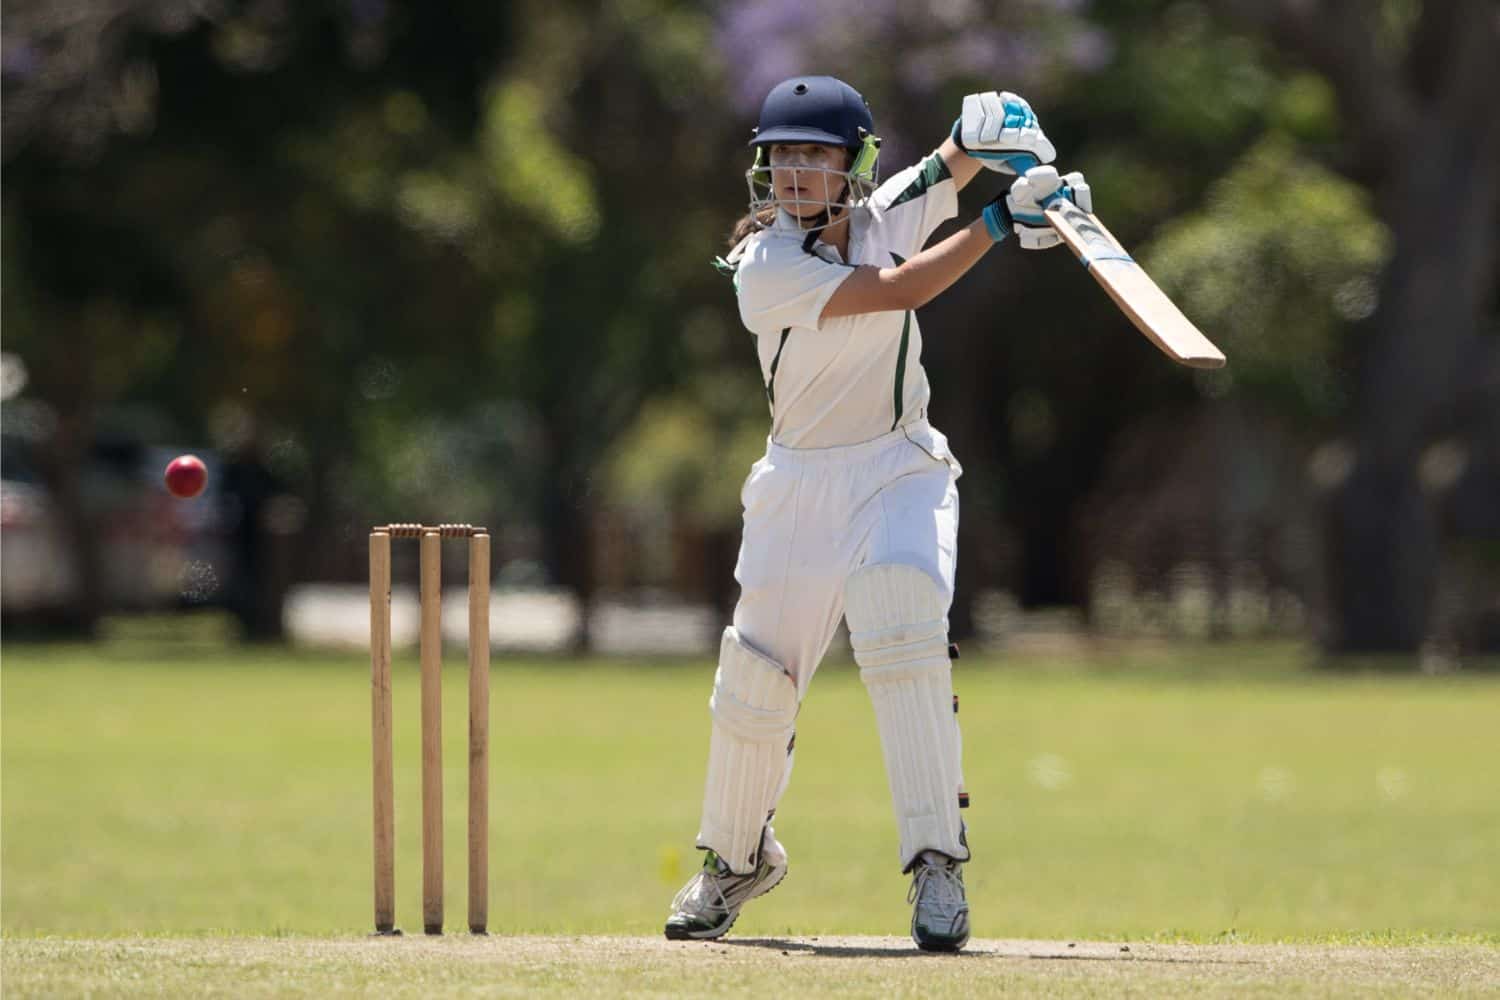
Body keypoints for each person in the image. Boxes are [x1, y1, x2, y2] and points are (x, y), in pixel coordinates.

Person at [664, 76, 1091, 952]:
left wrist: (993, 133)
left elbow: (945, 167)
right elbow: (900, 290)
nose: (792, 172)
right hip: (796, 488)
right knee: (755, 680)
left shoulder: (878, 211)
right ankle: (736, 860)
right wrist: (1006, 222)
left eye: (814, 154)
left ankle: (937, 865)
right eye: (780, 155)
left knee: (902, 618)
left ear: (852, 164)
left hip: (899, 467)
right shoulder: (765, 268)